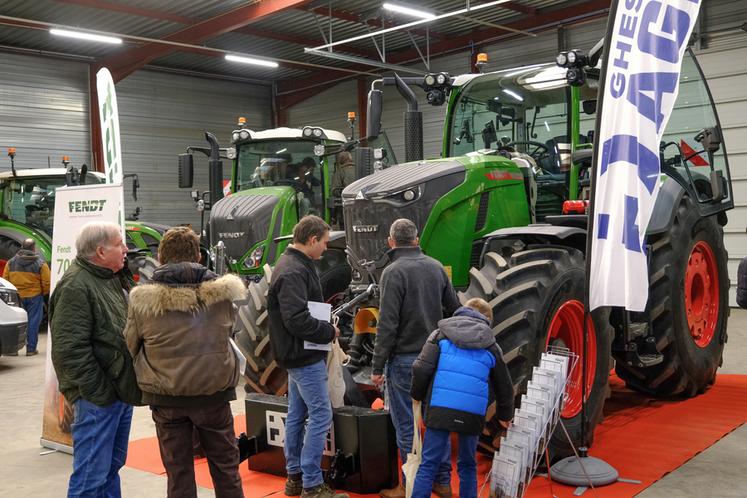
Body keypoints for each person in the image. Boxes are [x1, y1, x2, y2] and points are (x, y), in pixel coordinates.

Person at [124, 226, 246, 498]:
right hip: (214, 395)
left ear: (160, 256)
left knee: (178, 474)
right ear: (199, 257)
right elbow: (228, 334)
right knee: (226, 469)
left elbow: (130, 345)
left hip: (167, 398)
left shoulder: (142, 301)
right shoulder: (224, 296)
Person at [49, 221, 142, 497]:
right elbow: (69, 350)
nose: (126, 249)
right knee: (91, 475)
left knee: (111, 467)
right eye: (119, 244)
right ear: (100, 251)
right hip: (98, 399)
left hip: (118, 393)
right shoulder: (76, 286)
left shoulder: (109, 278)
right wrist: (100, 393)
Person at [371, 218, 460, 498]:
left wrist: (376, 365)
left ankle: (408, 485)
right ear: (417, 239)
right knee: (437, 421)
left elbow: (387, 324)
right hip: (436, 357)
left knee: (407, 424)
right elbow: (455, 309)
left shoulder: (392, 272)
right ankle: (442, 481)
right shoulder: (436, 267)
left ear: (391, 242)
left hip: (403, 361)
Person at [267, 215, 348, 498]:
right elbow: (297, 319)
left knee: (297, 414)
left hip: (296, 352)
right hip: (303, 355)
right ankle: (312, 484)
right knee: (321, 414)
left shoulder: (296, 265)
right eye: (324, 243)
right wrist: (329, 332)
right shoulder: (293, 271)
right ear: (312, 240)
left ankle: (295, 478)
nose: (326, 248)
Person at [410, 298, 514, 498]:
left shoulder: (439, 335)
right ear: (487, 319)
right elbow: (505, 385)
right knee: (468, 465)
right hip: (472, 412)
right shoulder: (491, 345)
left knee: (429, 463)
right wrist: (504, 414)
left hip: (440, 407)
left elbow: (421, 368)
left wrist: (417, 396)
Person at [2, 238, 50, 355]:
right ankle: (31, 349)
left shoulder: (11, 262)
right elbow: (47, 282)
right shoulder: (40, 264)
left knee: (16, 322)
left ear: (22, 247)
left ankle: (13, 351)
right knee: (33, 322)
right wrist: (42, 293)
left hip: (17, 297)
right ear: (33, 248)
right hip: (35, 297)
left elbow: (5, 280)